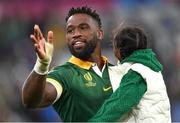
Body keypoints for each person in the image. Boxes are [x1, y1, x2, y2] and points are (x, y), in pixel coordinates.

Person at [22, 6, 113, 122]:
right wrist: (42, 64)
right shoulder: (64, 74)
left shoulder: (116, 70)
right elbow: (31, 101)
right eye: (70, 31)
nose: (76, 34)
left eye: (83, 28)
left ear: (99, 34)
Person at [89, 25, 171, 122]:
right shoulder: (150, 68)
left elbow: (118, 104)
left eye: (114, 46)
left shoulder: (137, 73)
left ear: (119, 50)